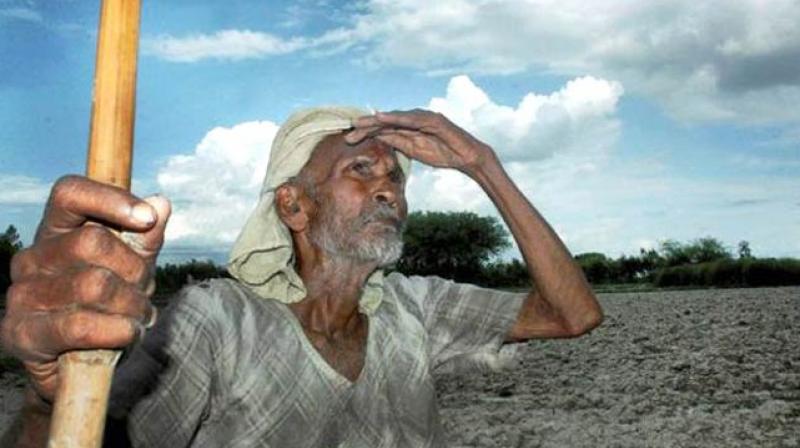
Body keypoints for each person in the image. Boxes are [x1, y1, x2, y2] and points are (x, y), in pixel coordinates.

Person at [1, 107, 603, 447]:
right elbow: (84, 438)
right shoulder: (215, 322)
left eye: (396, 177)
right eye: (360, 170)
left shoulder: (415, 307)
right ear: (293, 206)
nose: (388, 188)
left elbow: (572, 314)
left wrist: (482, 163)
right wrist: (46, 398)